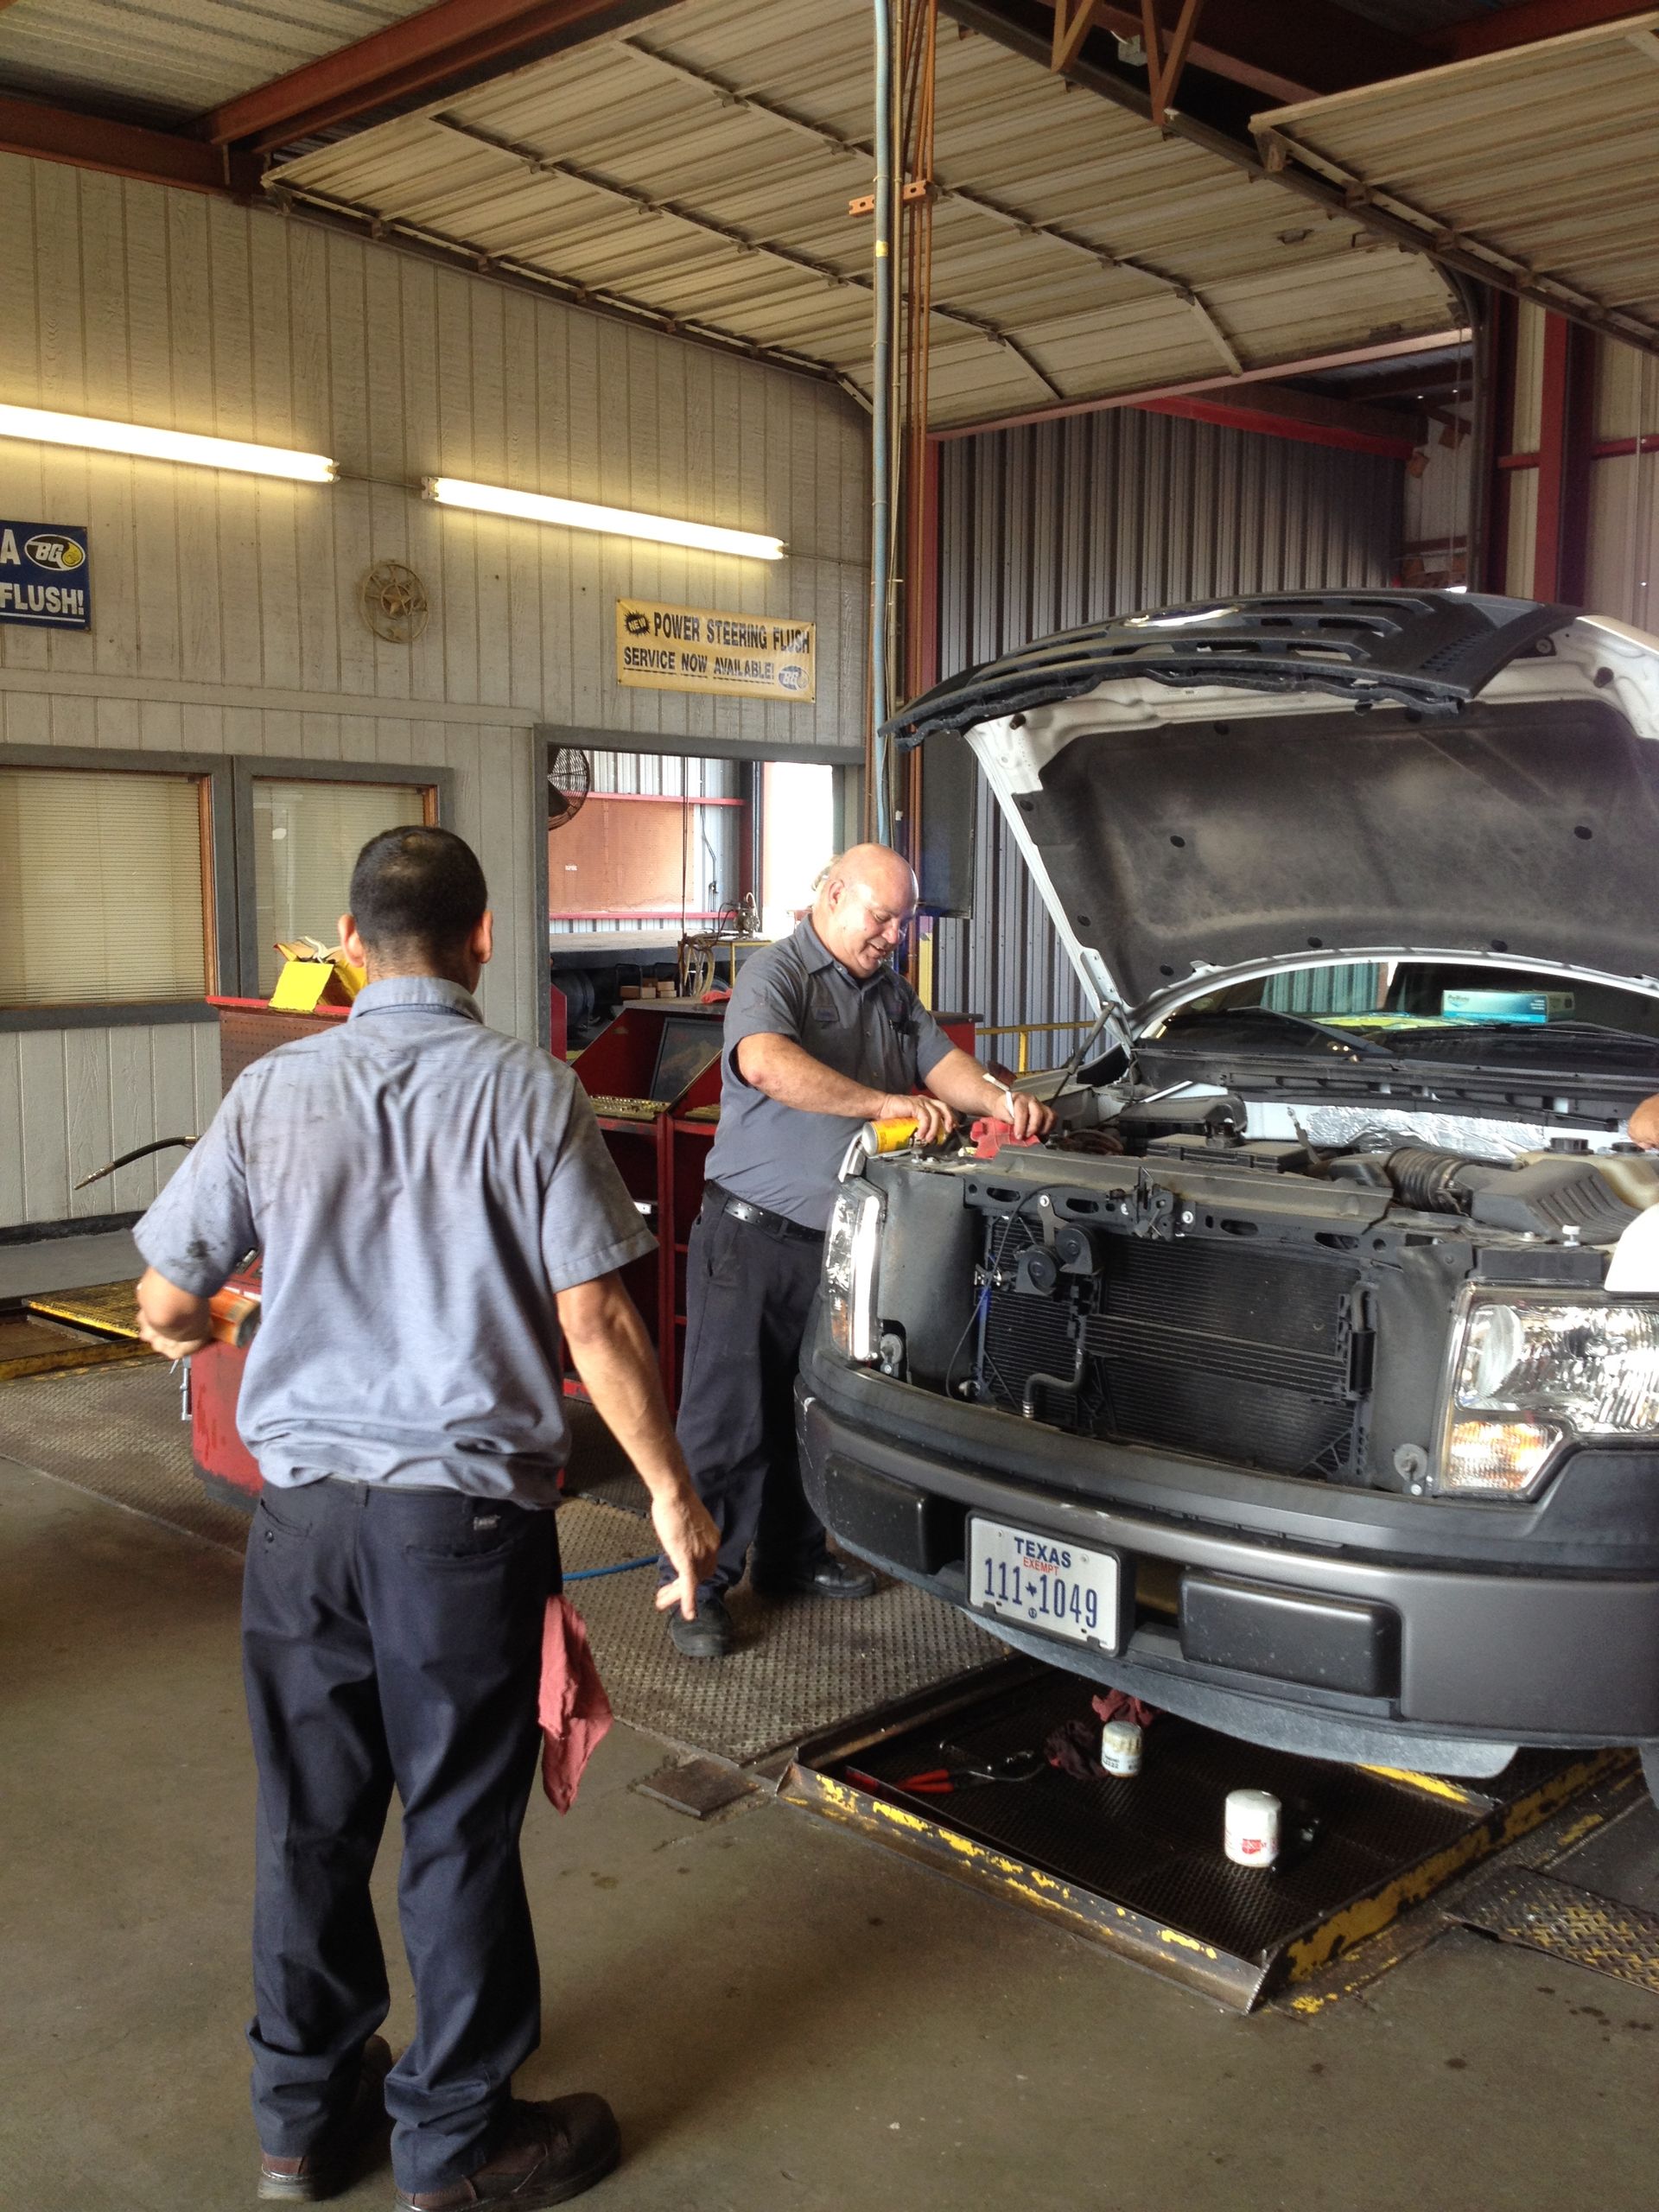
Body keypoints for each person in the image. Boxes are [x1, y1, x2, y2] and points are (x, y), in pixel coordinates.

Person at [134, 826, 717, 2212]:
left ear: (346, 946)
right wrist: (674, 1499)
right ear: (486, 941)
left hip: (302, 1531)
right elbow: (599, 1316)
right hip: (457, 1534)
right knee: (456, 1825)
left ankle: (304, 2122)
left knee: (310, 1823)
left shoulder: (277, 1089)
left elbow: (163, 1302)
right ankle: (455, 2148)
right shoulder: (527, 1089)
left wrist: (223, 1319)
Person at [663, 842, 1054, 1659]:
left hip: (840, 1240)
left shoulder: (889, 992)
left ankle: (793, 1557)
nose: (891, 937)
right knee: (727, 1418)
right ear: (832, 895)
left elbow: (942, 1064)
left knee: (816, 1403)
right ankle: (698, 1588)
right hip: (750, 1239)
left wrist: (1005, 1103)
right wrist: (883, 1105)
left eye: (901, 924)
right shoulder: (777, 976)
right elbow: (768, 1065)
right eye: (880, 918)